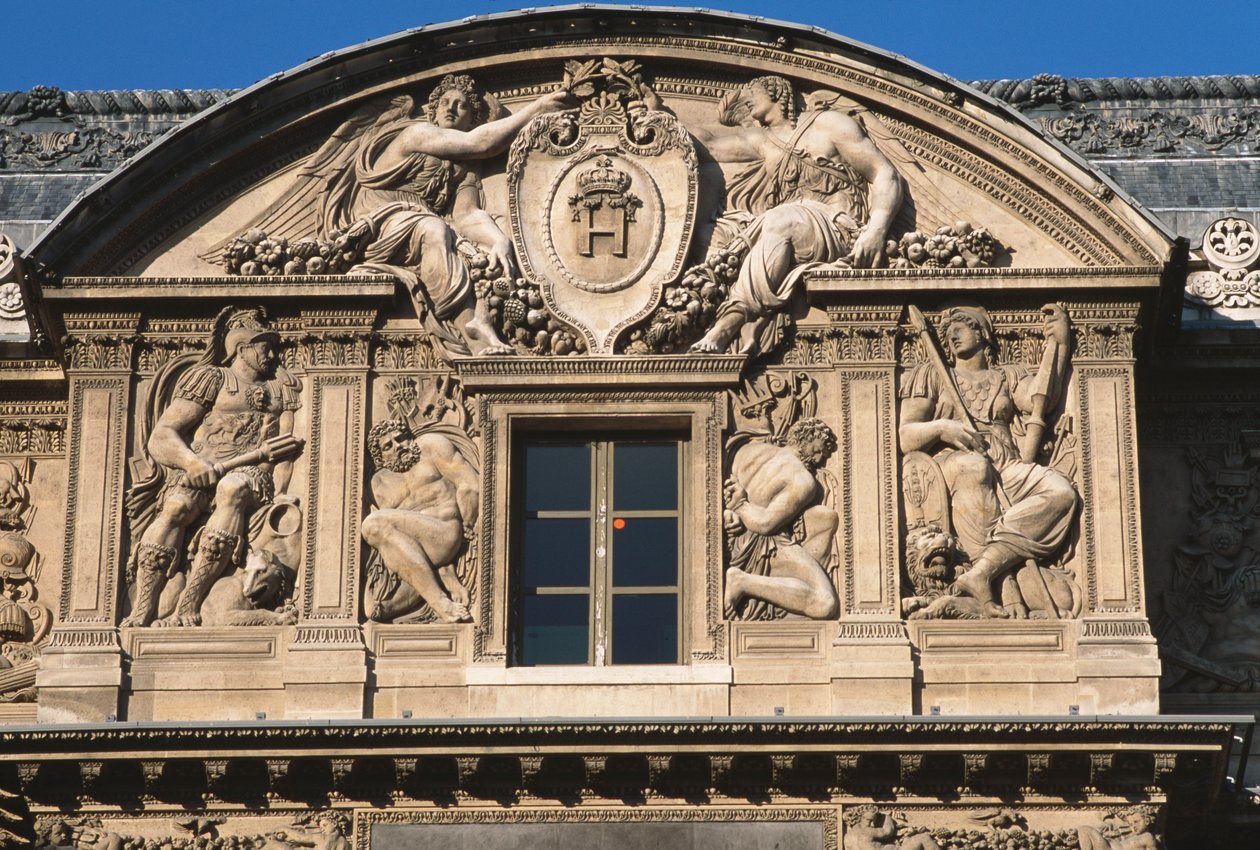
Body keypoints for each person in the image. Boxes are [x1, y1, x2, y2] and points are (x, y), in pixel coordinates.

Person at [346, 74, 573, 355]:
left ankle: (481, 319)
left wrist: (499, 241)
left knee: (478, 251)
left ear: (472, 118)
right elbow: (481, 144)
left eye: (461, 105)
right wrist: (535, 109)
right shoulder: (417, 133)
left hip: (418, 222)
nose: (450, 109)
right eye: (444, 103)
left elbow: (467, 215)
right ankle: (470, 334)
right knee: (435, 231)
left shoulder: (464, 169)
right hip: (382, 219)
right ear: (434, 110)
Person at [690, 75, 903, 354]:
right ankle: (700, 313)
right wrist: (651, 119)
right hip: (787, 224)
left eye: (753, 90)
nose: (747, 98)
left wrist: (876, 230)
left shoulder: (828, 124)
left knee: (783, 219)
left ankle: (731, 321)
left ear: (776, 91)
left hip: (836, 225)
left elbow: (885, 173)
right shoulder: (764, 141)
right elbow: (710, 144)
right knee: (712, 234)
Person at [123, 307, 302, 628]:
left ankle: (190, 601)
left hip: (251, 477)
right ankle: (143, 607)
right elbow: (162, 436)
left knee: (233, 488)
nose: (273, 354)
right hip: (199, 469)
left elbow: (286, 451)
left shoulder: (281, 387)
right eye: (264, 347)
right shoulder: (212, 379)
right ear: (241, 348)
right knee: (176, 507)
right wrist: (192, 462)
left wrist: (284, 492)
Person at [898, 304, 1078, 618]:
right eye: (947, 331)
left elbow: (1040, 397)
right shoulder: (933, 374)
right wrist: (943, 427)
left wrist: (1058, 345)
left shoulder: (1007, 376)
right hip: (953, 463)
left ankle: (983, 570)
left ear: (982, 332)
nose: (952, 335)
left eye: (961, 326)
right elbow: (905, 435)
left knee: (1061, 492)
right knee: (975, 469)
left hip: (1007, 466)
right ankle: (1000, 587)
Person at [362, 419, 479, 623]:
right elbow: (398, 541)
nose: (398, 447)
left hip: (447, 531)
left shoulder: (431, 445)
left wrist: (469, 527)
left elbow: (469, 486)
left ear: (410, 437)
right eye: (388, 446)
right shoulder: (378, 483)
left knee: (373, 524)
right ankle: (440, 582)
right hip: (423, 551)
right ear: (380, 457)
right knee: (374, 611)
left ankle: (441, 603)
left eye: (400, 439)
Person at [723, 417, 840, 620]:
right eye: (819, 449)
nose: (821, 458)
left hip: (734, 536)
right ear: (806, 437)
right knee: (825, 602)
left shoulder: (751, 449)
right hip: (763, 545)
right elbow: (765, 524)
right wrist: (740, 505)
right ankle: (742, 581)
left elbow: (726, 486)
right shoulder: (803, 480)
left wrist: (729, 511)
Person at [843, 807, 942, 850]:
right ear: (860, 818)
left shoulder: (847, 838)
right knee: (923, 838)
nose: (873, 824)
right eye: (869, 820)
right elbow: (888, 831)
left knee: (907, 840)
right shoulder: (865, 831)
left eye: (875, 821)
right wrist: (887, 817)